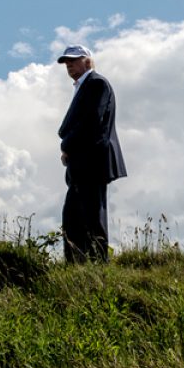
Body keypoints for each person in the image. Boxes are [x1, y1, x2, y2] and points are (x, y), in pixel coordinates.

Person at [57, 44, 127, 263]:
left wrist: (67, 144)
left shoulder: (96, 83)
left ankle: (97, 267)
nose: (69, 64)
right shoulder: (84, 86)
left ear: (87, 61)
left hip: (92, 162)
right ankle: (77, 267)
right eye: (66, 61)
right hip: (82, 163)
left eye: (74, 60)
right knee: (73, 218)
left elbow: (91, 122)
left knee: (91, 217)